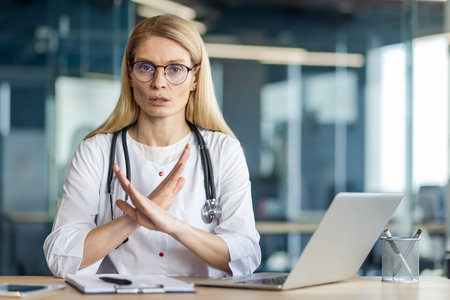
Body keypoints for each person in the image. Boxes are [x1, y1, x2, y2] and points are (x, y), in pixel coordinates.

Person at [43, 14, 261, 278]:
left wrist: (172, 226)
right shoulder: (96, 151)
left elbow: (246, 256)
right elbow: (61, 259)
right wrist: (133, 219)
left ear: (195, 78)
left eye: (175, 69)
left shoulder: (223, 151)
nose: (159, 82)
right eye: (146, 67)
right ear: (131, 74)